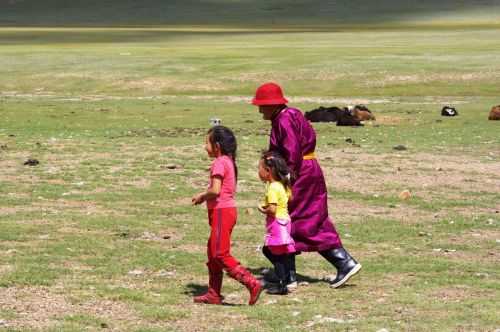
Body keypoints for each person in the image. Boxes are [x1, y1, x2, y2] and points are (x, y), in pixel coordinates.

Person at [251, 82, 362, 289]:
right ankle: (286, 273)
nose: (259, 110)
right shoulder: (291, 114)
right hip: (309, 169)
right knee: (302, 218)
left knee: (299, 219)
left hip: (300, 173)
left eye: (262, 105)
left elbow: (291, 151)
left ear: (273, 104)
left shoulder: (283, 120)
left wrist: (286, 178)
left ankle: (344, 262)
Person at [191, 125, 262, 305]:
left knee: (220, 254)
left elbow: (215, 190)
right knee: (212, 253)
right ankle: (213, 294)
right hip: (224, 212)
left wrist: (202, 196)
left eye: (206, 142)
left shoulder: (219, 162)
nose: (204, 147)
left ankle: (251, 283)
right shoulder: (228, 161)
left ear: (217, 146)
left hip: (222, 212)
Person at [257, 150, 295, 295]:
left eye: (259, 169)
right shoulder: (282, 185)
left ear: (268, 171)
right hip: (286, 222)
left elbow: (272, 210)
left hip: (277, 224)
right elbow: (289, 199)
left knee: (276, 254)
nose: (258, 172)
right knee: (274, 252)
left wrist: (262, 208)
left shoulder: (272, 187)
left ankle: (282, 284)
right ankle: (284, 276)